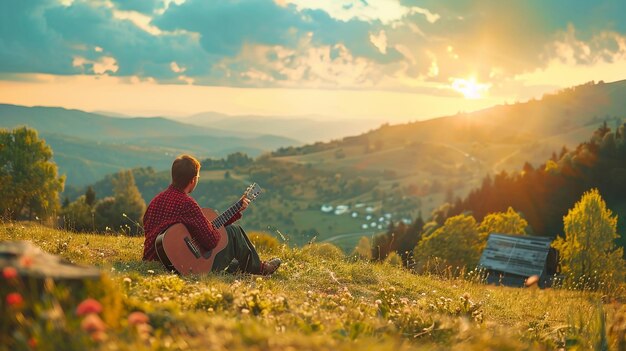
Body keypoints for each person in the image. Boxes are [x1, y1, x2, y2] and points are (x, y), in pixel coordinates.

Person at [142, 154, 281, 275]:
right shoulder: (187, 204)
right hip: (183, 265)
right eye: (197, 177)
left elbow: (157, 228)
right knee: (234, 232)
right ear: (192, 180)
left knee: (234, 265)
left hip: (155, 261)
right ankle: (261, 268)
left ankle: (250, 267)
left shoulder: (156, 200)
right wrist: (213, 230)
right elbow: (211, 241)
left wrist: (235, 211)